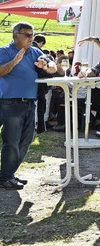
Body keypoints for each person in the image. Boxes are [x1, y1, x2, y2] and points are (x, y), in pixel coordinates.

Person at [0, 22, 56, 189]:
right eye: (27, 35)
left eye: (32, 34)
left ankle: (8, 174)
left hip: (30, 102)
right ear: (15, 35)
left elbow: (52, 66)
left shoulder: (34, 51)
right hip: (11, 102)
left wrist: (47, 65)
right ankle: (6, 177)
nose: (31, 38)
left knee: (26, 140)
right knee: (12, 141)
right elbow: (1, 71)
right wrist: (15, 61)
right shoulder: (4, 51)